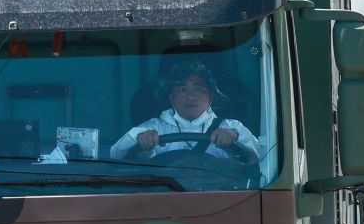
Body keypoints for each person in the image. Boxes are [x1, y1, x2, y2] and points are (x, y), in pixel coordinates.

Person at [111, 60, 260, 163]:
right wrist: (139, 139)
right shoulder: (155, 127)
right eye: (182, 89)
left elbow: (257, 154)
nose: (190, 96)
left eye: (198, 89)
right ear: (171, 97)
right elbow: (116, 154)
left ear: (211, 96)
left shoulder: (228, 126)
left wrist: (233, 136)